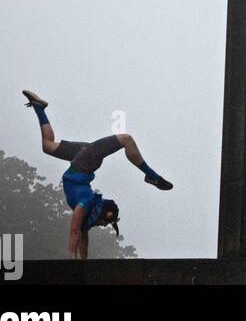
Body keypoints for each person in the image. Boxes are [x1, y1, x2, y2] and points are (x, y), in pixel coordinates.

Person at [22, 89, 173, 259]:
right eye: (104, 222)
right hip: (86, 160)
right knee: (126, 139)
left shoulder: (85, 213)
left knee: (48, 146)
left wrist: (84, 264)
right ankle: (151, 175)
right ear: (99, 212)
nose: (101, 225)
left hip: (81, 158)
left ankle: (39, 107)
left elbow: (82, 237)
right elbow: (74, 231)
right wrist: (72, 259)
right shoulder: (84, 204)